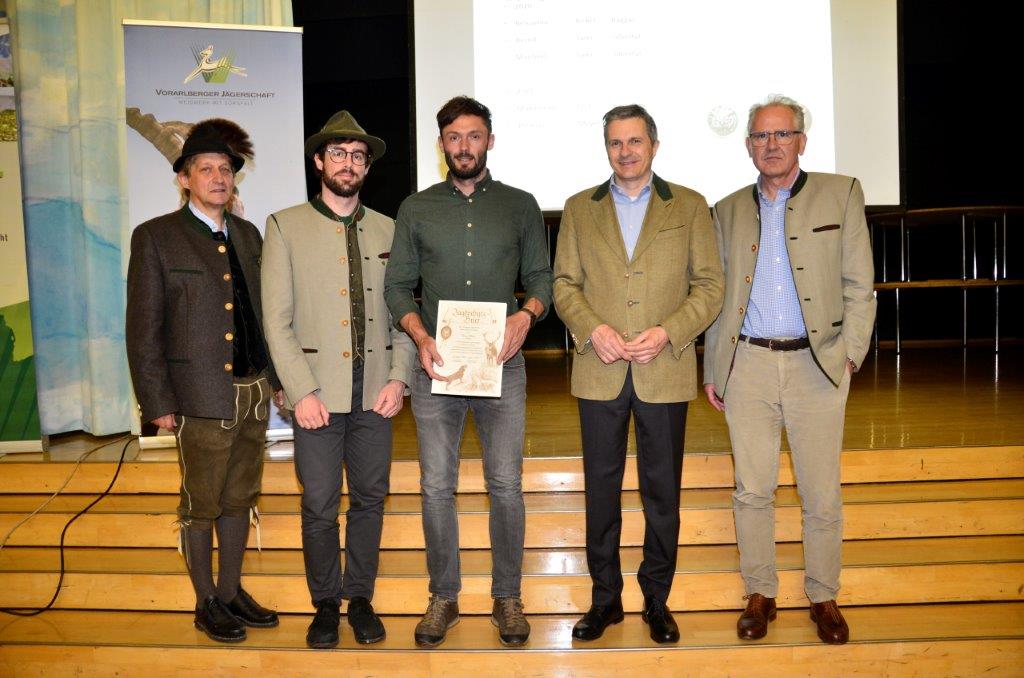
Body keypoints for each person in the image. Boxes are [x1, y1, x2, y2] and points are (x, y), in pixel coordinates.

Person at [703, 95, 876, 645]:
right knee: (751, 489)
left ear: (801, 140)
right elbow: (716, 297)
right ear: (747, 145)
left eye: (781, 134)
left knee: (820, 492)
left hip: (817, 364)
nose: (771, 144)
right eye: (760, 136)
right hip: (748, 365)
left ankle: (823, 594)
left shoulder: (841, 193)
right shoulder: (726, 209)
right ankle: (760, 593)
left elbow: (860, 284)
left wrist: (849, 354)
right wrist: (715, 367)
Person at [384, 96, 553, 648]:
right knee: (436, 487)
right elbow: (396, 286)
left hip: (503, 365)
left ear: (490, 141)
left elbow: (542, 279)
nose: (464, 146)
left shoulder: (521, 205)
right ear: (441, 144)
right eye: (453, 137)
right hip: (438, 367)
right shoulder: (416, 209)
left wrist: (526, 316)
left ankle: (507, 598)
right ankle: (444, 596)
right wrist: (420, 336)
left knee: (505, 484)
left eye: (473, 135)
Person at [553, 104, 724, 644]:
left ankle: (656, 599)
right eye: (615, 142)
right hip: (599, 369)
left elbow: (710, 287)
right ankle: (605, 600)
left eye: (634, 141)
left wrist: (670, 331)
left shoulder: (690, 206)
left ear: (654, 145)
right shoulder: (579, 208)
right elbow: (563, 285)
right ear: (606, 148)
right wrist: (593, 329)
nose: (625, 151)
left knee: (662, 494)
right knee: (601, 493)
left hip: (664, 369)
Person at [261, 111, 415, 648]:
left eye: (357, 156)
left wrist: (399, 379)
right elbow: (276, 321)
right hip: (317, 398)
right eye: (337, 154)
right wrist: (300, 391)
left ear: (366, 167)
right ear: (318, 161)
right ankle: (325, 603)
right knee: (320, 504)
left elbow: (403, 316)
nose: (347, 163)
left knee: (370, 499)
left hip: (375, 395)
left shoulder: (391, 229)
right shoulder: (284, 226)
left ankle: (361, 599)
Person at [126, 119, 282, 643]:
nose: (218, 178)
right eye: (206, 169)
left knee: (240, 497)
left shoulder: (249, 234)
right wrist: (156, 401)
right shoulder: (156, 237)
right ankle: (205, 601)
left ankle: (231, 591)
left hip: (253, 392)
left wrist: (276, 379)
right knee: (202, 502)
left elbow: (261, 315)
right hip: (198, 398)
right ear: (184, 179)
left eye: (226, 170)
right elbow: (143, 328)